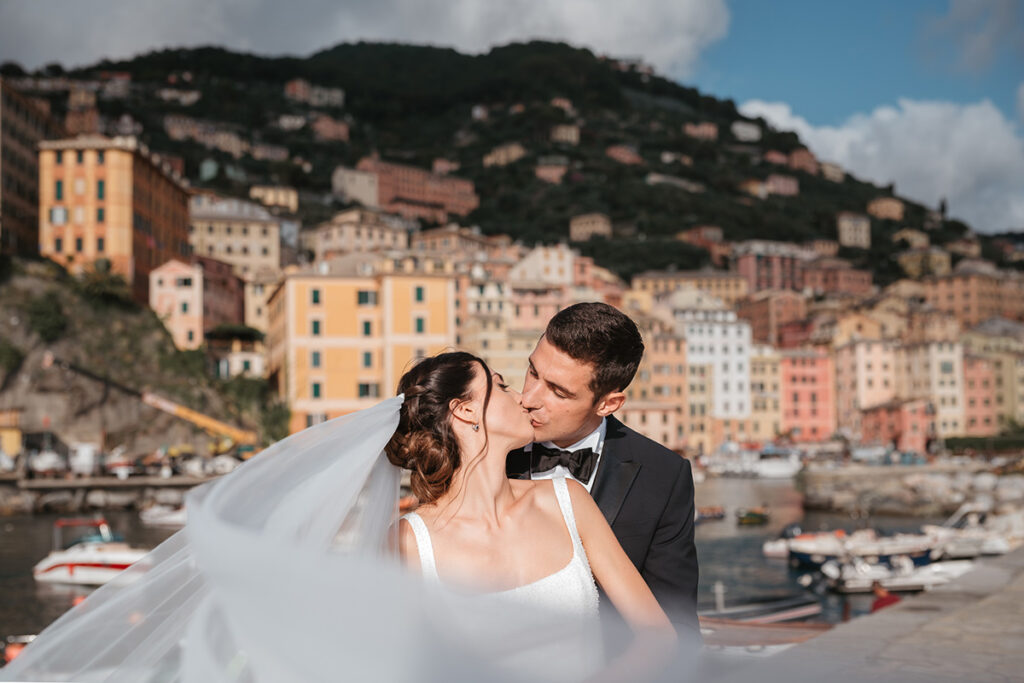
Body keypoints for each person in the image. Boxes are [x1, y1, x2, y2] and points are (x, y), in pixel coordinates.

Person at [386, 352, 676, 678]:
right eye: (501, 386)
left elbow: (658, 636)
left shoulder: (568, 501)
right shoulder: (409, 542)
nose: (522, 399)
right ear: (466, 411)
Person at [505, 303, 701, 636]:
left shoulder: (664, 476)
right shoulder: (486, 448)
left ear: (608, 404)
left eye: (558, 392)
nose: (529, 399)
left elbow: (677, 625)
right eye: (533, 372)